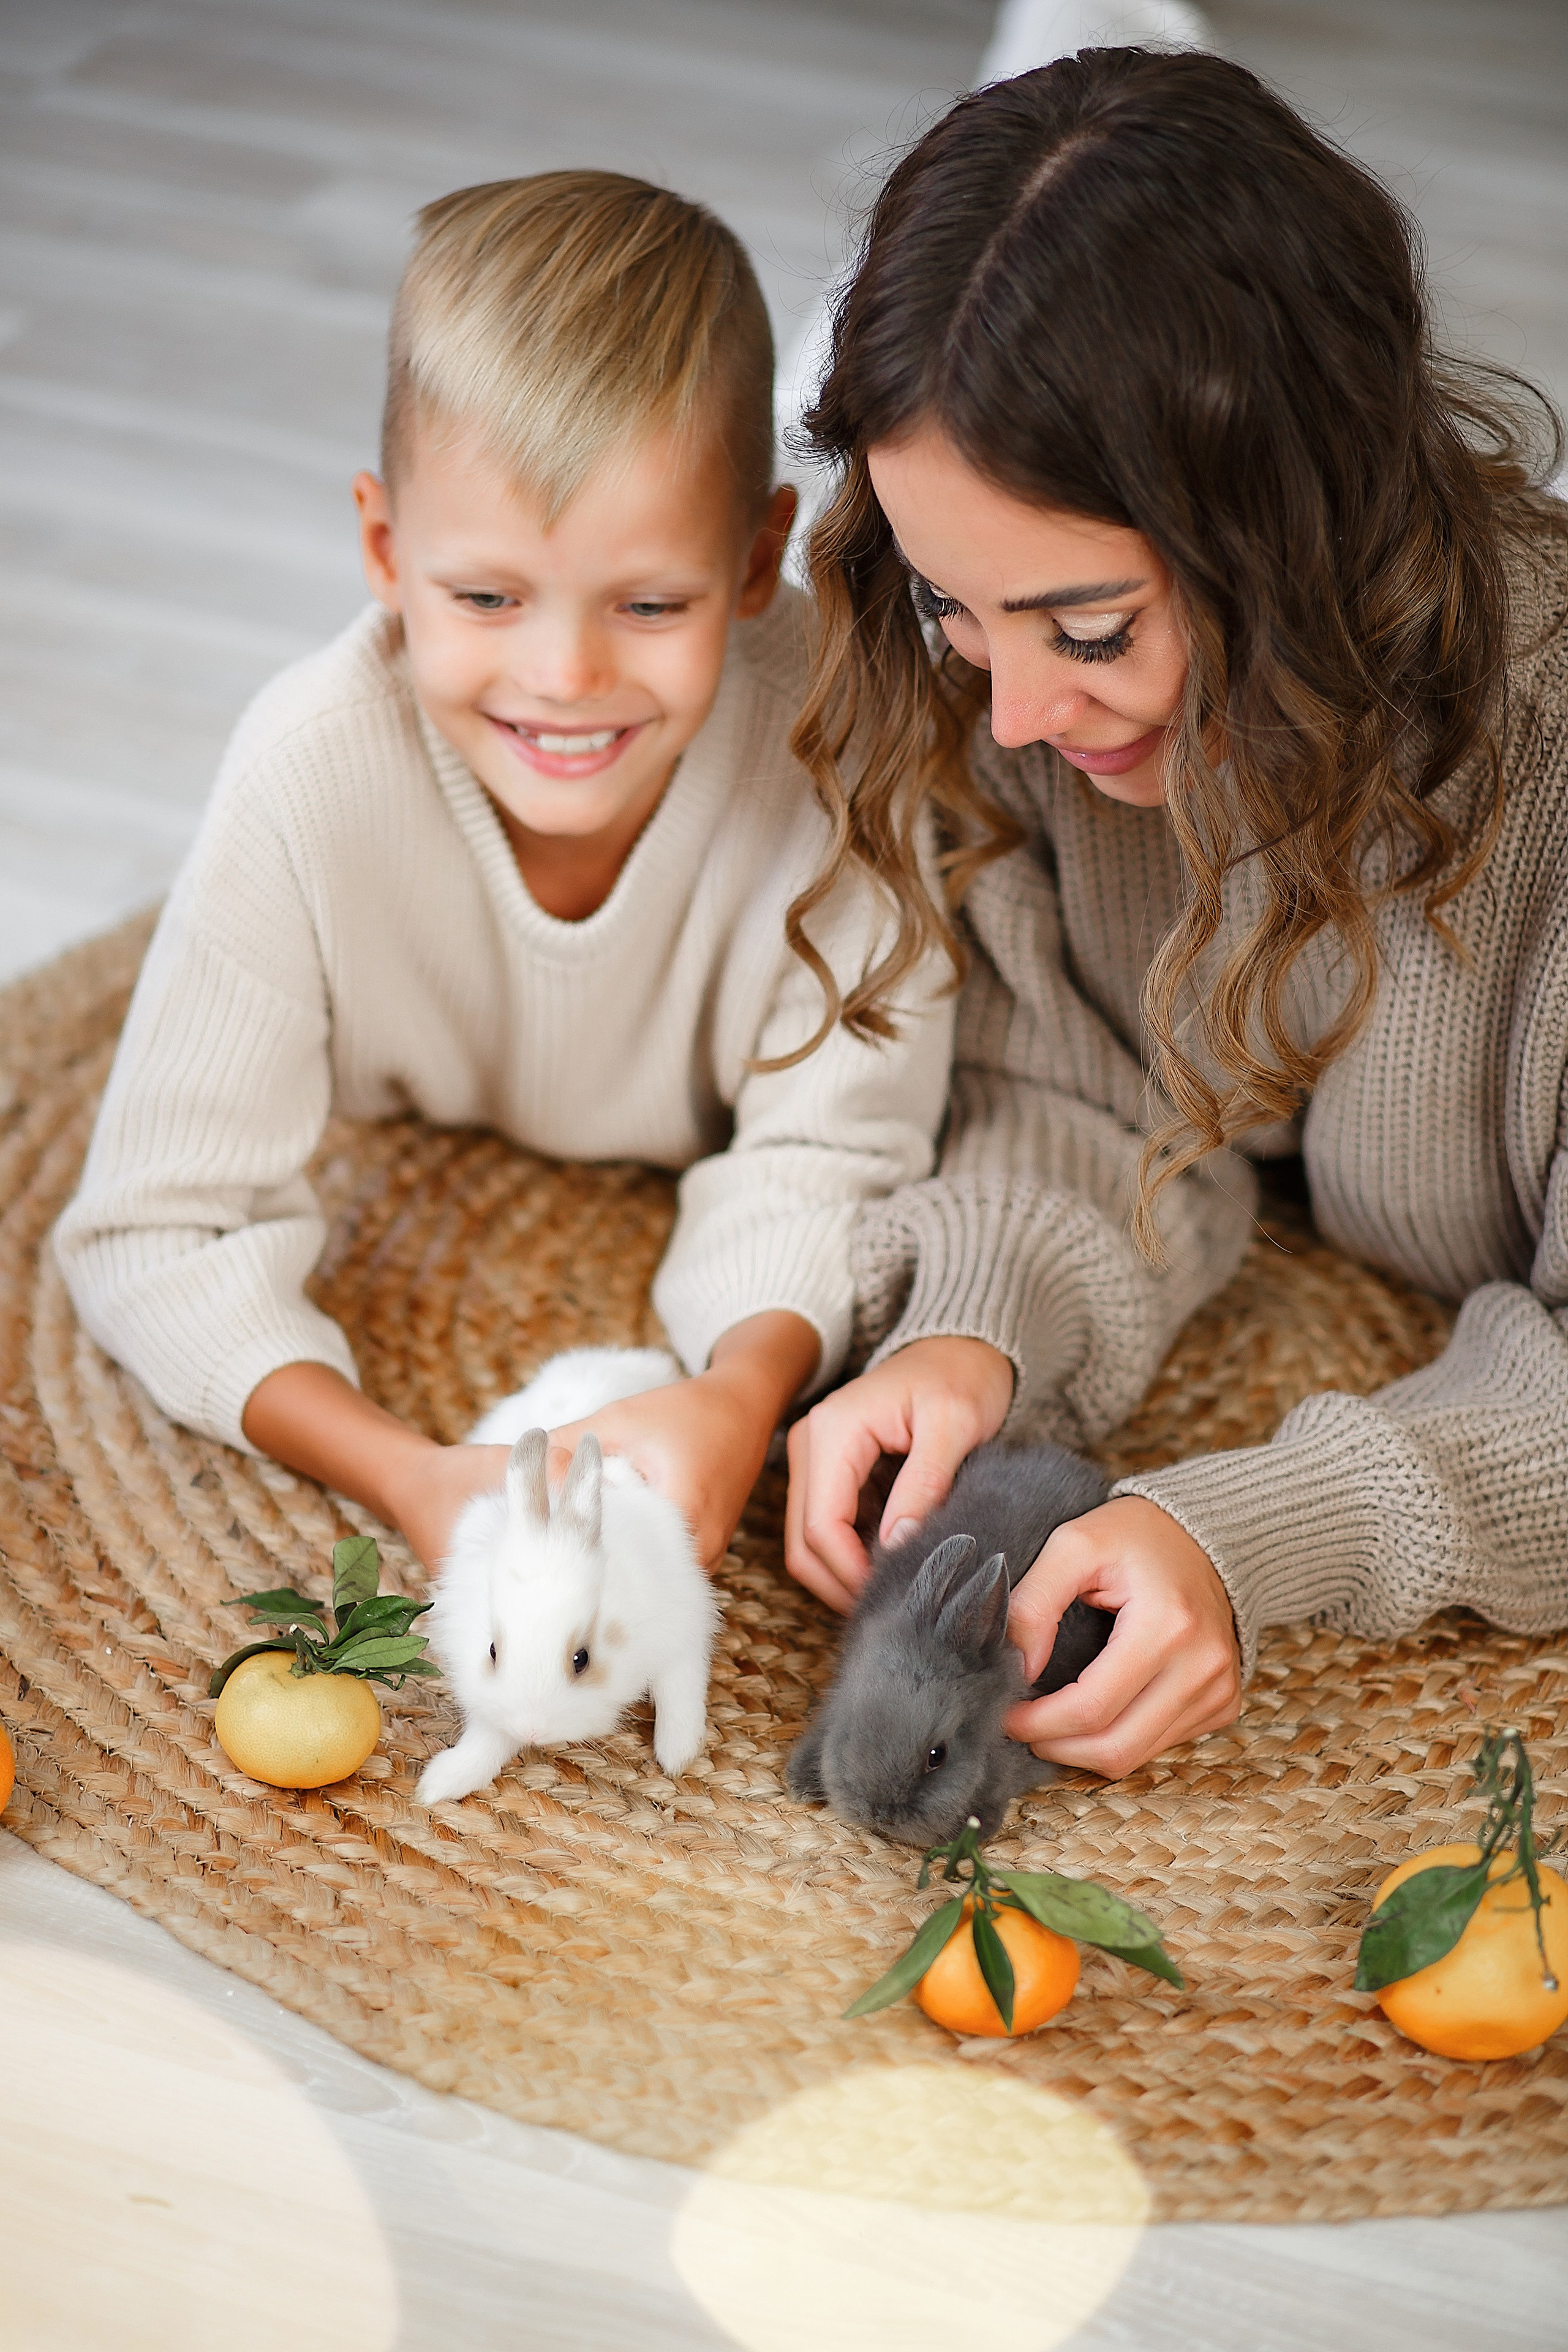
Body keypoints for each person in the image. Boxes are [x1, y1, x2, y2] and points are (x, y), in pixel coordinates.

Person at [782, 50, 1568, 1779]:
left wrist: (1253, 1532)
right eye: (950, 605)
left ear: (1299, 525)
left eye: (1085, 628)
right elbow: (1091, 1093)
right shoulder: (1031, 711)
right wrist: (976, 1326)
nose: (1011, 719)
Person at [56, 171, 952, 1580]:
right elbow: (156, 1222)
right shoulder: (308, 771)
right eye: (484, 599)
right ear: (383, 550)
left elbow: (838, 1145)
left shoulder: (836, 750)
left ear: (756, 559)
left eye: (648, 604)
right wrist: (409, 1474)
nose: (565, 679)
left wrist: (737, 1389)